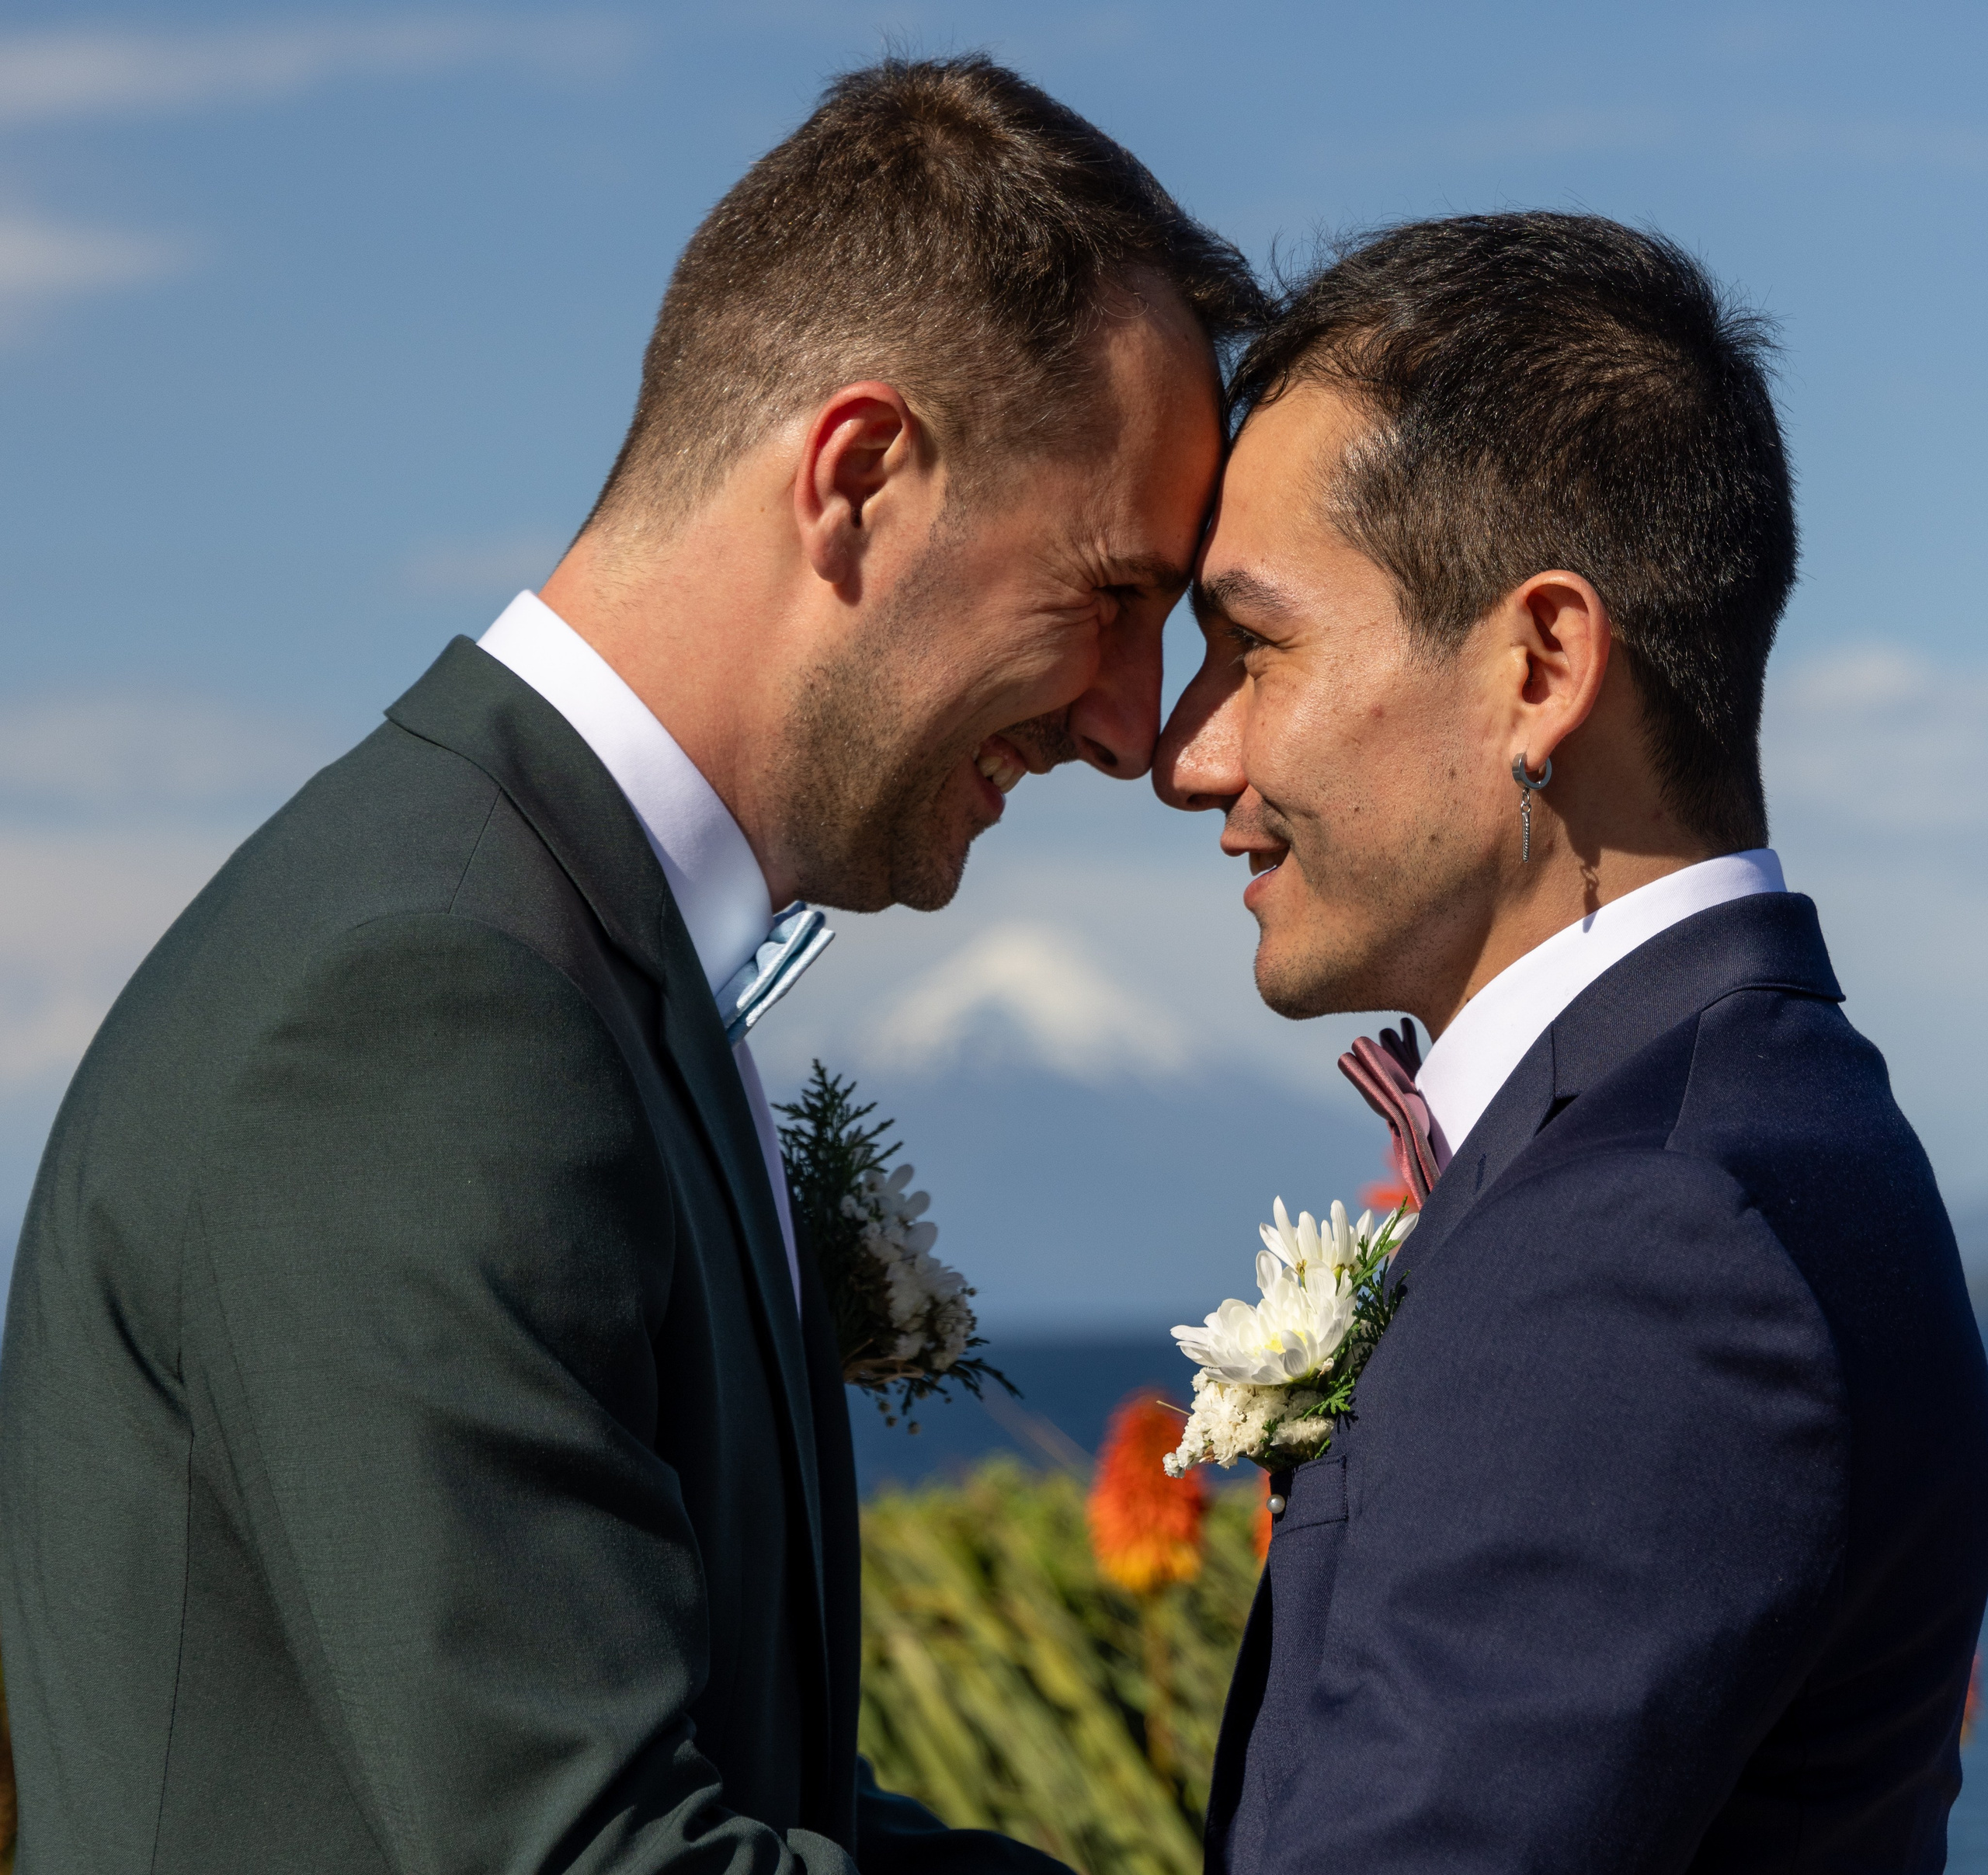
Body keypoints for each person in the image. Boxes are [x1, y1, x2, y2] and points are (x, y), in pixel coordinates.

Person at [0, 57, 1260, 1874]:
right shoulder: (424, 1003)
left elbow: (743, 1795)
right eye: (1107, 600)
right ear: (856, 478)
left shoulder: (543, 931)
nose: (1133, 731)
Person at [1156, 211, 1988, 1871]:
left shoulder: (1651, 1240)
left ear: (1538, 665)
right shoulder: (1744, 1127)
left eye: (1252, 648)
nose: (1184, 751)